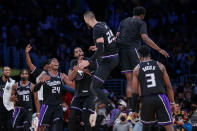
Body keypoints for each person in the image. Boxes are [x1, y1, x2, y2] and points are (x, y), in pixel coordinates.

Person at [116, 6, 169, 112]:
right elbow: (145, 38)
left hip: (122, 51)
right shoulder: (141, 23)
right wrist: (159, 49)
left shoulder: (123, 21)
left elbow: (117, 36)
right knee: (140, 79)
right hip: (134, 50)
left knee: (130, 81)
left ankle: (132, 108)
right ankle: (143, 105)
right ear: (142, 15)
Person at [80, 11, 120, 127]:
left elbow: (101, 50)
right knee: (94, 79)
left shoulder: (96, 29)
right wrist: (97, 48)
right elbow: (111, 41)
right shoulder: (103, 24)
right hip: (113, 57)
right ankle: (104, 95)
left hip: (108, 60)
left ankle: (112, 108)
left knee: (94, 86)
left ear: (86, 19)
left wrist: (89, 60)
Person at [131, 46, 175, 131]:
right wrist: (172, 102)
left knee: (147, 127)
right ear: (149, 54)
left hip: (146, 99)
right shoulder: (160, 65)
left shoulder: (137, 69)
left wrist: (134, 110)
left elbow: (134, 92)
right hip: (161, 97)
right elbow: (169, 86)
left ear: (139, 56)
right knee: (169, 127)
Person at [34, 58, 73, 131]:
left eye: (57, 61)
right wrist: (41, 82)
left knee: (59, 125)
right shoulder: (44, 75)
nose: (56, 62)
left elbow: (72, 86)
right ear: (49, 65)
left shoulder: (62, 75)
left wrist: (77, 73)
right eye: (54, 61)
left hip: (58, 106)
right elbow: (35, 89)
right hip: (47, 105)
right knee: (41, 127)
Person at [68, 47, 96, 131]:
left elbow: (91, 74)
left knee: (85, 117)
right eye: (76, 52)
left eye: (80, 50)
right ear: (74, 55)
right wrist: (76, 68)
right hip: (78, 94)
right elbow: (70, 78)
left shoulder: (88, 61)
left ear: (83, 52)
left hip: (89, 94)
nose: (79, 52)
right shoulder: (73, 62)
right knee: (71, 117)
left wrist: (80, 68)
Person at [0, 66, 15, 131]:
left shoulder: (12, 82)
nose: (7, 71)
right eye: (6, 70)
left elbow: (14, 94)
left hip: (8, 108)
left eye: (9, 70)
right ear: (2, 72)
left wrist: (13, 97)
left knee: (9, 127)